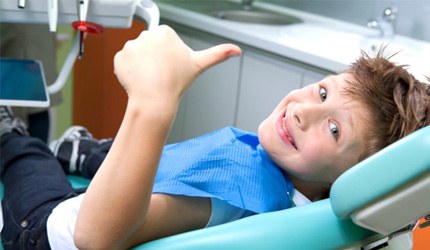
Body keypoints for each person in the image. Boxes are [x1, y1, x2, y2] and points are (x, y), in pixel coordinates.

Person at [1, 25, 429, 249]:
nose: (304, 110)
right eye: (322, 91)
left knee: (28, 156)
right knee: (172, 153)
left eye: (334, 130)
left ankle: (14, 134)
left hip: (47, 231)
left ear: (343, 180)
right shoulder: (303, 200)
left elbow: (94, 238)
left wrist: (153, 103)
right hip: (126, 192)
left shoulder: (229, 197)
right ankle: (89, 152)